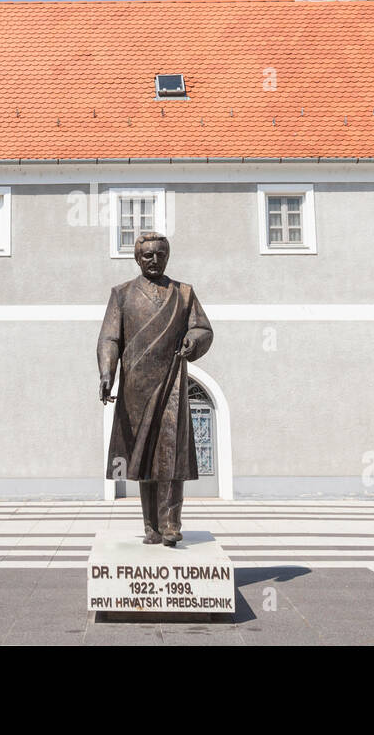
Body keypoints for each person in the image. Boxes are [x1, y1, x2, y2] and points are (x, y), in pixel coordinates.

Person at [97, 232, 213, 546]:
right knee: (144, 458)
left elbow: (202, 328)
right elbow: (109, 338)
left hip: (172, 381)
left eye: (160, 254)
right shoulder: (121, 294)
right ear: (137, 258)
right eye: (147, 255)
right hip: (137, 387)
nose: (154, 260)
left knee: (171, 456)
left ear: (167, 256)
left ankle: (171, 524)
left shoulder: (184, 293)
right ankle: (151, 526)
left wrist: (195, 339)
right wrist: (107, 372)